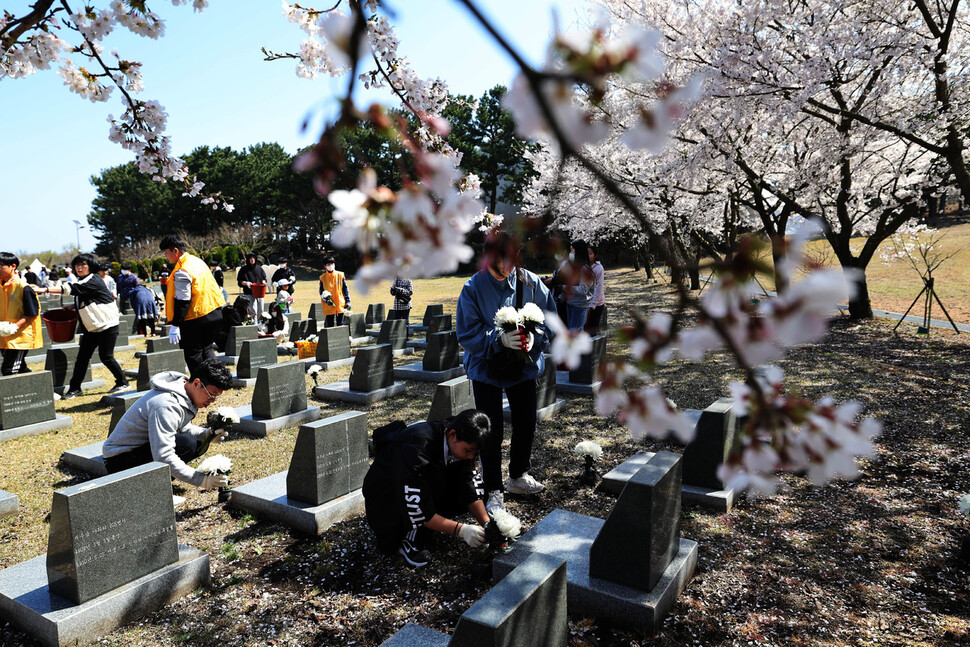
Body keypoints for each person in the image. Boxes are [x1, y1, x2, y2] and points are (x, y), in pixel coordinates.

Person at [456, 230, 557, 516]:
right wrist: (497, 340)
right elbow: (466, 332)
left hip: (523, 368)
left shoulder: (530, 281)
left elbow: (550, 317)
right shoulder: (473, 287)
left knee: (526, 421)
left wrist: (537, 339)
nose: (510, 265)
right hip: (486, 369)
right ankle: (493, 490)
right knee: (490, 431)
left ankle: (518, 476)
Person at [362, 409, 491, 568]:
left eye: (475, 452)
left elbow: (469, 483)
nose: (471, 456)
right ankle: (408, 539)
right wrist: (461, 530)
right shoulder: (416, 447)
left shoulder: (457, 438)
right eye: (469, 450)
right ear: (452, 435)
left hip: (422, 488)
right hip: (387, 499)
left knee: (473, 487)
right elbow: (416, 504)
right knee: (431, 486)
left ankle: (429, 526)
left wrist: (488, 525)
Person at [101, 359, 234, 490]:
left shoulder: (184, 393)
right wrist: (201, 480)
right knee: (188, 443)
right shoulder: (166, 404)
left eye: (216, 397)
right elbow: (163, 454)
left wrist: (206, 434)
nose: (212, 401)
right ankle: (149, 489)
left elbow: (178, 427)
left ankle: (156, 484)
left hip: (138, 449)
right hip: (120, 460)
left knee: (196, 441)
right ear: (197, 384)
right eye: (211, 395)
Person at [50, 254, 130, 398]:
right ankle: (75, 388)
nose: (79, 268)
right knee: (82, 358)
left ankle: (123, 382)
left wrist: (44, 290)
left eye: (83, 264)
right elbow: (88, 299)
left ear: (91, 266)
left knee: (106, 356)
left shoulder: (94, 279)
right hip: (92, 326)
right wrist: (71, 307)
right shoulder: (84, 280)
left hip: (107, 324)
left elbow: (73, 289)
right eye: (77, 265)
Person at [160, 235, 225, 379]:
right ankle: (216, 380)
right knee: (207, 349)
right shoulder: (197, 260)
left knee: (193, 354)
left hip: (196, 317)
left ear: (175, 251)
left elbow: (183, 300)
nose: (166, 256)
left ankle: (200, 385)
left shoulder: (183, 270)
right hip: (213, 311)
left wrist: (176, 324)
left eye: (166, 253)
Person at [0, 252, 42, 376]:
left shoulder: (23, 287)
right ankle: (43, 390)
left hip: (19, 336)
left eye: (0, 265)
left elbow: (32, 313)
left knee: (9, 370)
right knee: (21, 367)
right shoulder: (1, 286)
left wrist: (13, 327)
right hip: (3, 336)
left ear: (13, 266)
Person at [318, 254, 351, 327]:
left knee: (340, 324)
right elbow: (321, 292)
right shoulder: (322, 278)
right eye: (329, 264)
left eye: (332, 263)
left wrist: (348, 301)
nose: (331, 265)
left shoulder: (340, 275)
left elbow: (345, 289)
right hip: (329, 304)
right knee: (330, 325)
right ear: (325, 266)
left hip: (340, 303)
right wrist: (326, 300)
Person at [585, 243, 606, 334]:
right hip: (585, 301)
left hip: (596, 303)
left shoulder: (599, 268)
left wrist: (593, 304)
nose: (588, 256)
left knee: (593, 327)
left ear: (595, 255)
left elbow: (599, 287)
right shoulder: (583, 266)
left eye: (590, 254)